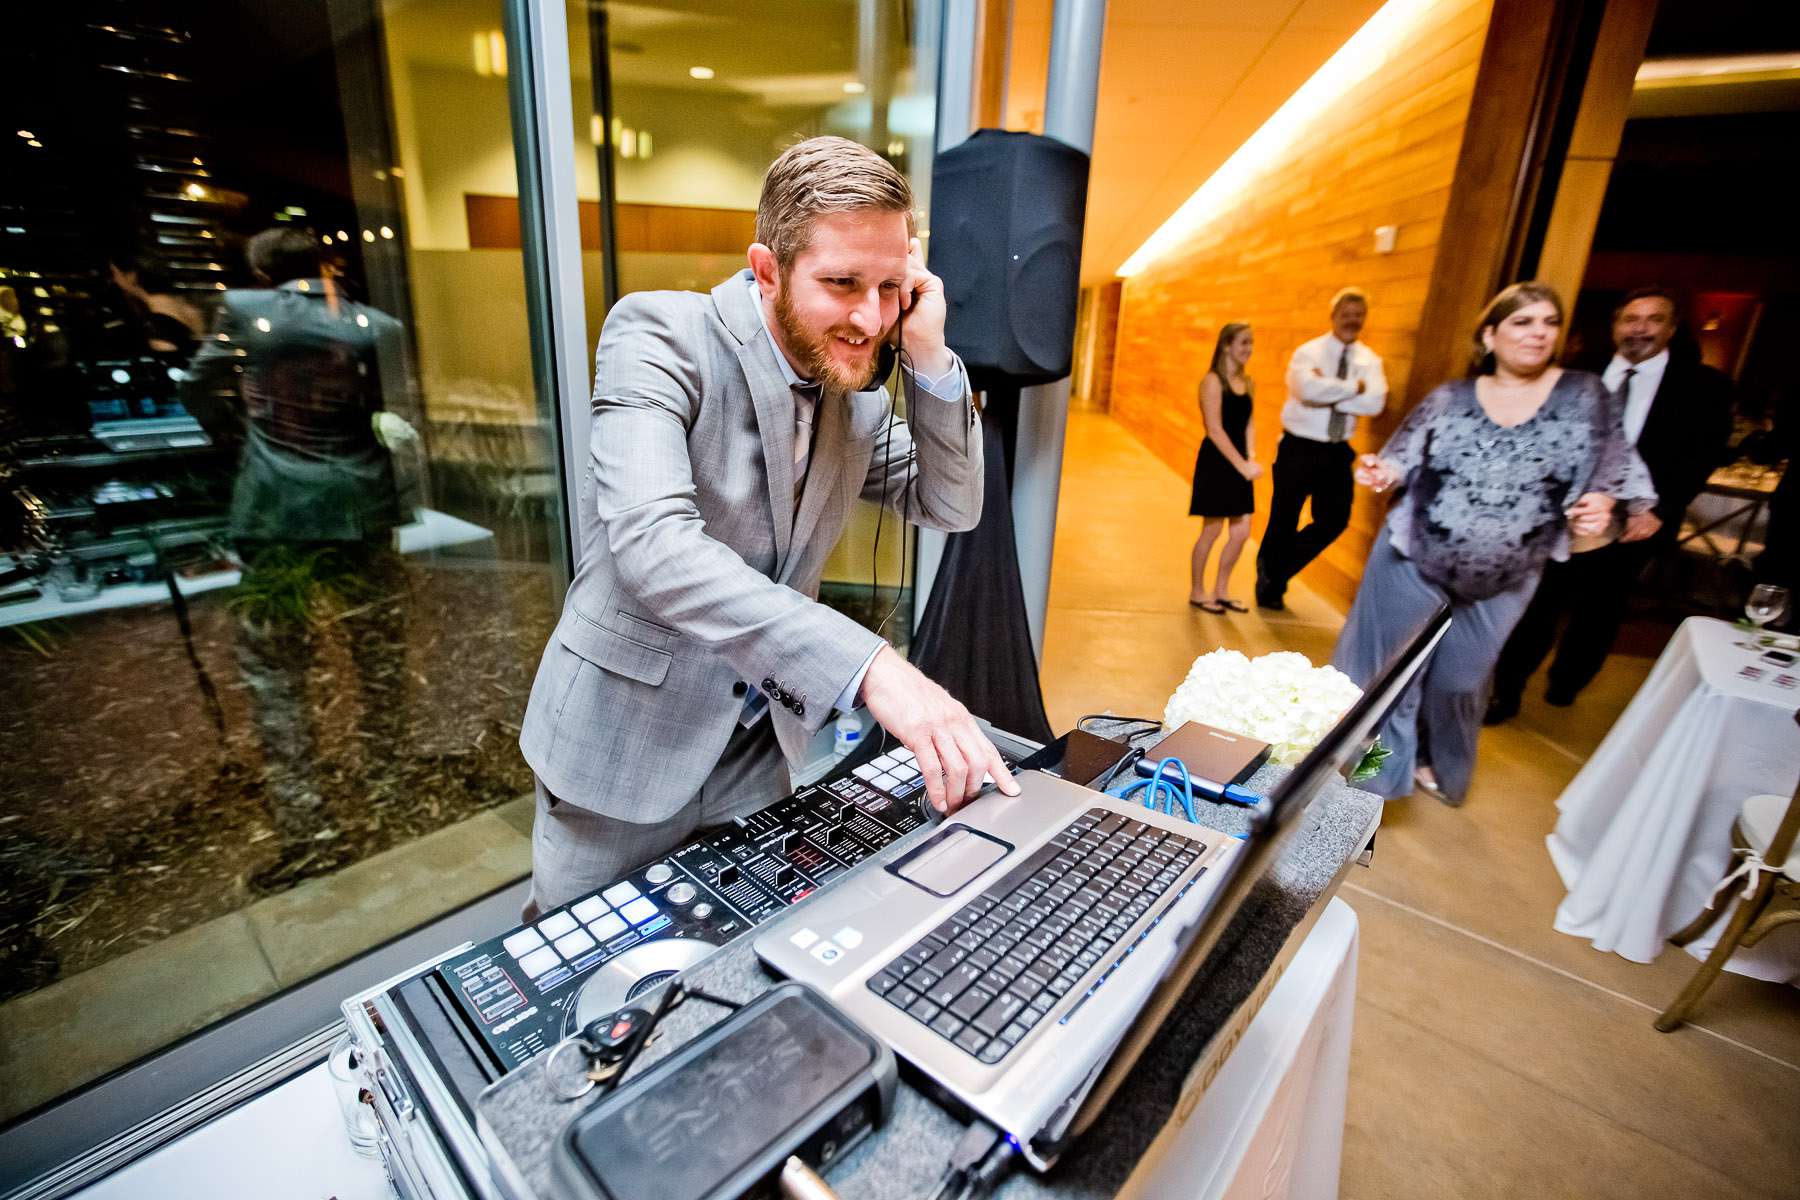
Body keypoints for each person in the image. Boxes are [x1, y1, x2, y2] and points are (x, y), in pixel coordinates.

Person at [517, 136, 1019, 916]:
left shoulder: (853, 390)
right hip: (623, 750)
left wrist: (928, 356)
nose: (869, 316)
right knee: (583, 992)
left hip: (758, 752)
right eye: (842, 282)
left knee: (737, 964)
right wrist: (876, 670)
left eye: (891, 287)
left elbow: (950, 505)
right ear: (767, 269)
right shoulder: (658, 336)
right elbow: (656, 548)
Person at [1331, 282, 1655, 806]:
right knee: (1397, 682)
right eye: (1523, 322)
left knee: (1460, 681)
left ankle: (1435, 760)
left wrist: (1606, 504)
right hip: (1414, 556)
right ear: (1491, 333)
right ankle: (1377, 779)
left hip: (1509, 573)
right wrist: (1379, 471)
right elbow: (1399, 458)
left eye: (1549, 322)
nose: (1538, 333)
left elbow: (1613, 469)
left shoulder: (1584, 395)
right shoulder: (1451, 398)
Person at [183, 227, 418, 875]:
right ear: (324, 264)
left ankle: (309, 827)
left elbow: (196, 390)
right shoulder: (381, 324)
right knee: (380, 660)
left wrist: (249, 439)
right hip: (363, 507)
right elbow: (394, 413)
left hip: (277, 508)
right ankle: (391, 795)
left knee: (276, 672)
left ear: (261, 268)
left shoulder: (244, 311)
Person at [1486, 287, 1734, 721]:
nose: (1640, 329)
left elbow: (1702, 456)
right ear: (1615, 326)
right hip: (1565, 517)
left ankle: (1567, 681)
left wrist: (1657, 510)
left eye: (1653, 319)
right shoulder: (1574, 375)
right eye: (1630, 319)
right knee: (1538, 605)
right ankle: (1506, 692)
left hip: (1637, 521)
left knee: (1600, 610)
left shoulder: (1702, 387)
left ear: (1671, 329)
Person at [1255, 288, 1388, 610]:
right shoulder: (1308, 353)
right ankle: (1270, 588)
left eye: (1358, 316)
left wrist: (1330, 389)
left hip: (1336, 451)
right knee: (1284, 517)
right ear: (1333, 316)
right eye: (1346, 314)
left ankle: (1275, 568)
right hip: (1298, 447)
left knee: (1334, 520)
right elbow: (1306, 390)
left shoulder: (1369, 360)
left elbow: (1375, 402)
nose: (1352, 321)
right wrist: (1354, 388)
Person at [1187, 322, 1259, 613]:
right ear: (1226, 346)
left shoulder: (1249, 382)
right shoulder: (1212, 381)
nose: (1249, 349)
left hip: (1241, 461)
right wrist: (1242, 465)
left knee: (1241, 533)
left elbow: (1250, 422)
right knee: (1212, 531)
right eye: (1243, 342)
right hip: (1218, 462)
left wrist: (1251, 456)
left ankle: (1221, 589)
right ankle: (1197, 590)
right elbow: (1214, 429)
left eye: (1251, 343)